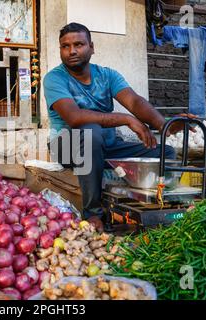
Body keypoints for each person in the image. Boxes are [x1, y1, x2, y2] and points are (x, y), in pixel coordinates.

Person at [44, 22, 194, 232]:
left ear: (92, 47)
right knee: (90, 131)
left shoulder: (107, 75)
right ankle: (93, 213)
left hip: (105, 146)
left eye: (78, 44)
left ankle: (159, 206)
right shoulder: (54, 78)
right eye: (65, 46)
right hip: (66, 146)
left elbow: (134, 102)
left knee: (164, 152)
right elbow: (74, 117)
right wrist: (127, 119)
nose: (72, 51)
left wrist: (164, 125)